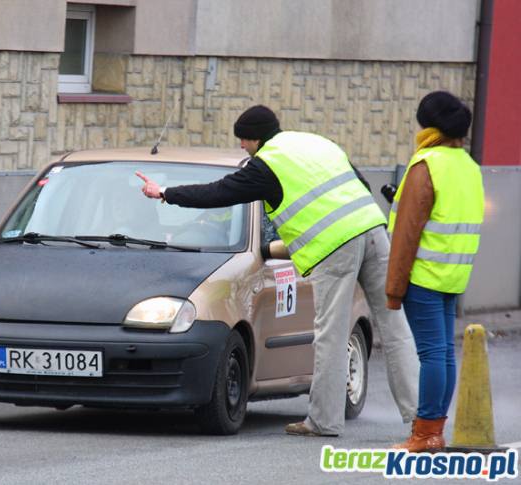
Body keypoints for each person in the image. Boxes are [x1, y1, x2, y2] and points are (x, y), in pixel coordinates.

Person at [136, 105, 419, 437]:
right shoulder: (317, 143)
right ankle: (420, 416)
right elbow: (358, 183)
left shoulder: (266, 165)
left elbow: (220, 192)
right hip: (373, 230)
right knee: (395, 326)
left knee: (331, 334)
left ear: (255, 138)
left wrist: (166, 194)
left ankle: (324, 421)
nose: (242, 146)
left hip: (336, 247)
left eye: (243, 140)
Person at [387, 91, 484, 452]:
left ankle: (425, 433)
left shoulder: (426, 165)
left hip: (423, 275)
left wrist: (394, 289)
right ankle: (433, 429)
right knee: (443, 352)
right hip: (453, 274)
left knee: (430, 354)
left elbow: (407, 234)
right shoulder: (468, 166)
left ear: (428, 127)